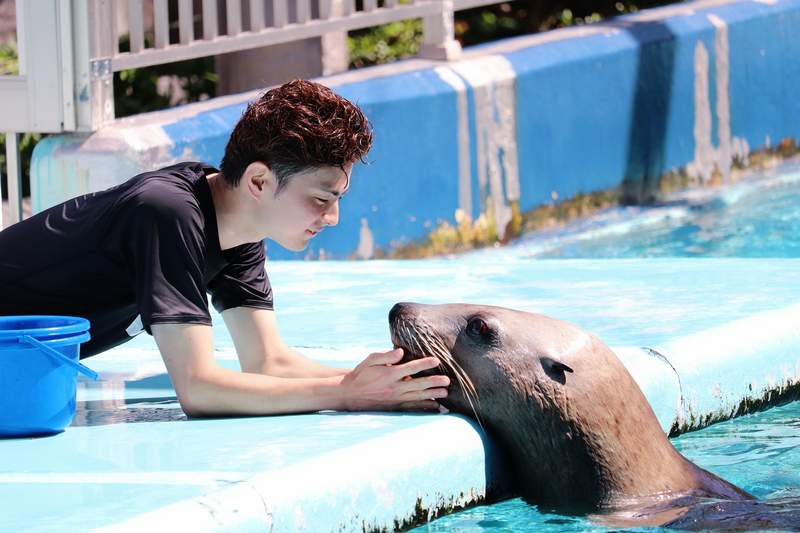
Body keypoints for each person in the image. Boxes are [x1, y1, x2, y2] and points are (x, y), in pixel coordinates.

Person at [0, 79, 450, 417]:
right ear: (258, 180)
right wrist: (349, 394)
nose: (331, 219)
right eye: (320, 200)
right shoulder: (167, 212)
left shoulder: (237, 227)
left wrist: (383, 382)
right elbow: (199, 389)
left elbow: (267, 361)